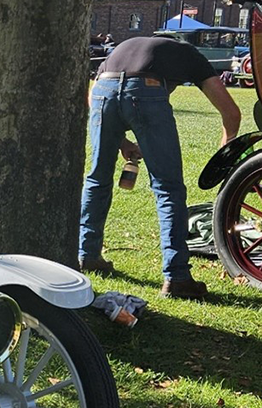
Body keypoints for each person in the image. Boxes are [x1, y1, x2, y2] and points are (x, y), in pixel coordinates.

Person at [79, 36, 241, 299]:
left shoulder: (124, 46)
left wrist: (121, 142)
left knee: (97, 179)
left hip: (103, 92)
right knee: (169, 189)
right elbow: (231, 112)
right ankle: (177, 277)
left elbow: (93, 94)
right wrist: (226, 151)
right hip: (145, 89)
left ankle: (87, 255)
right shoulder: (188, 53)